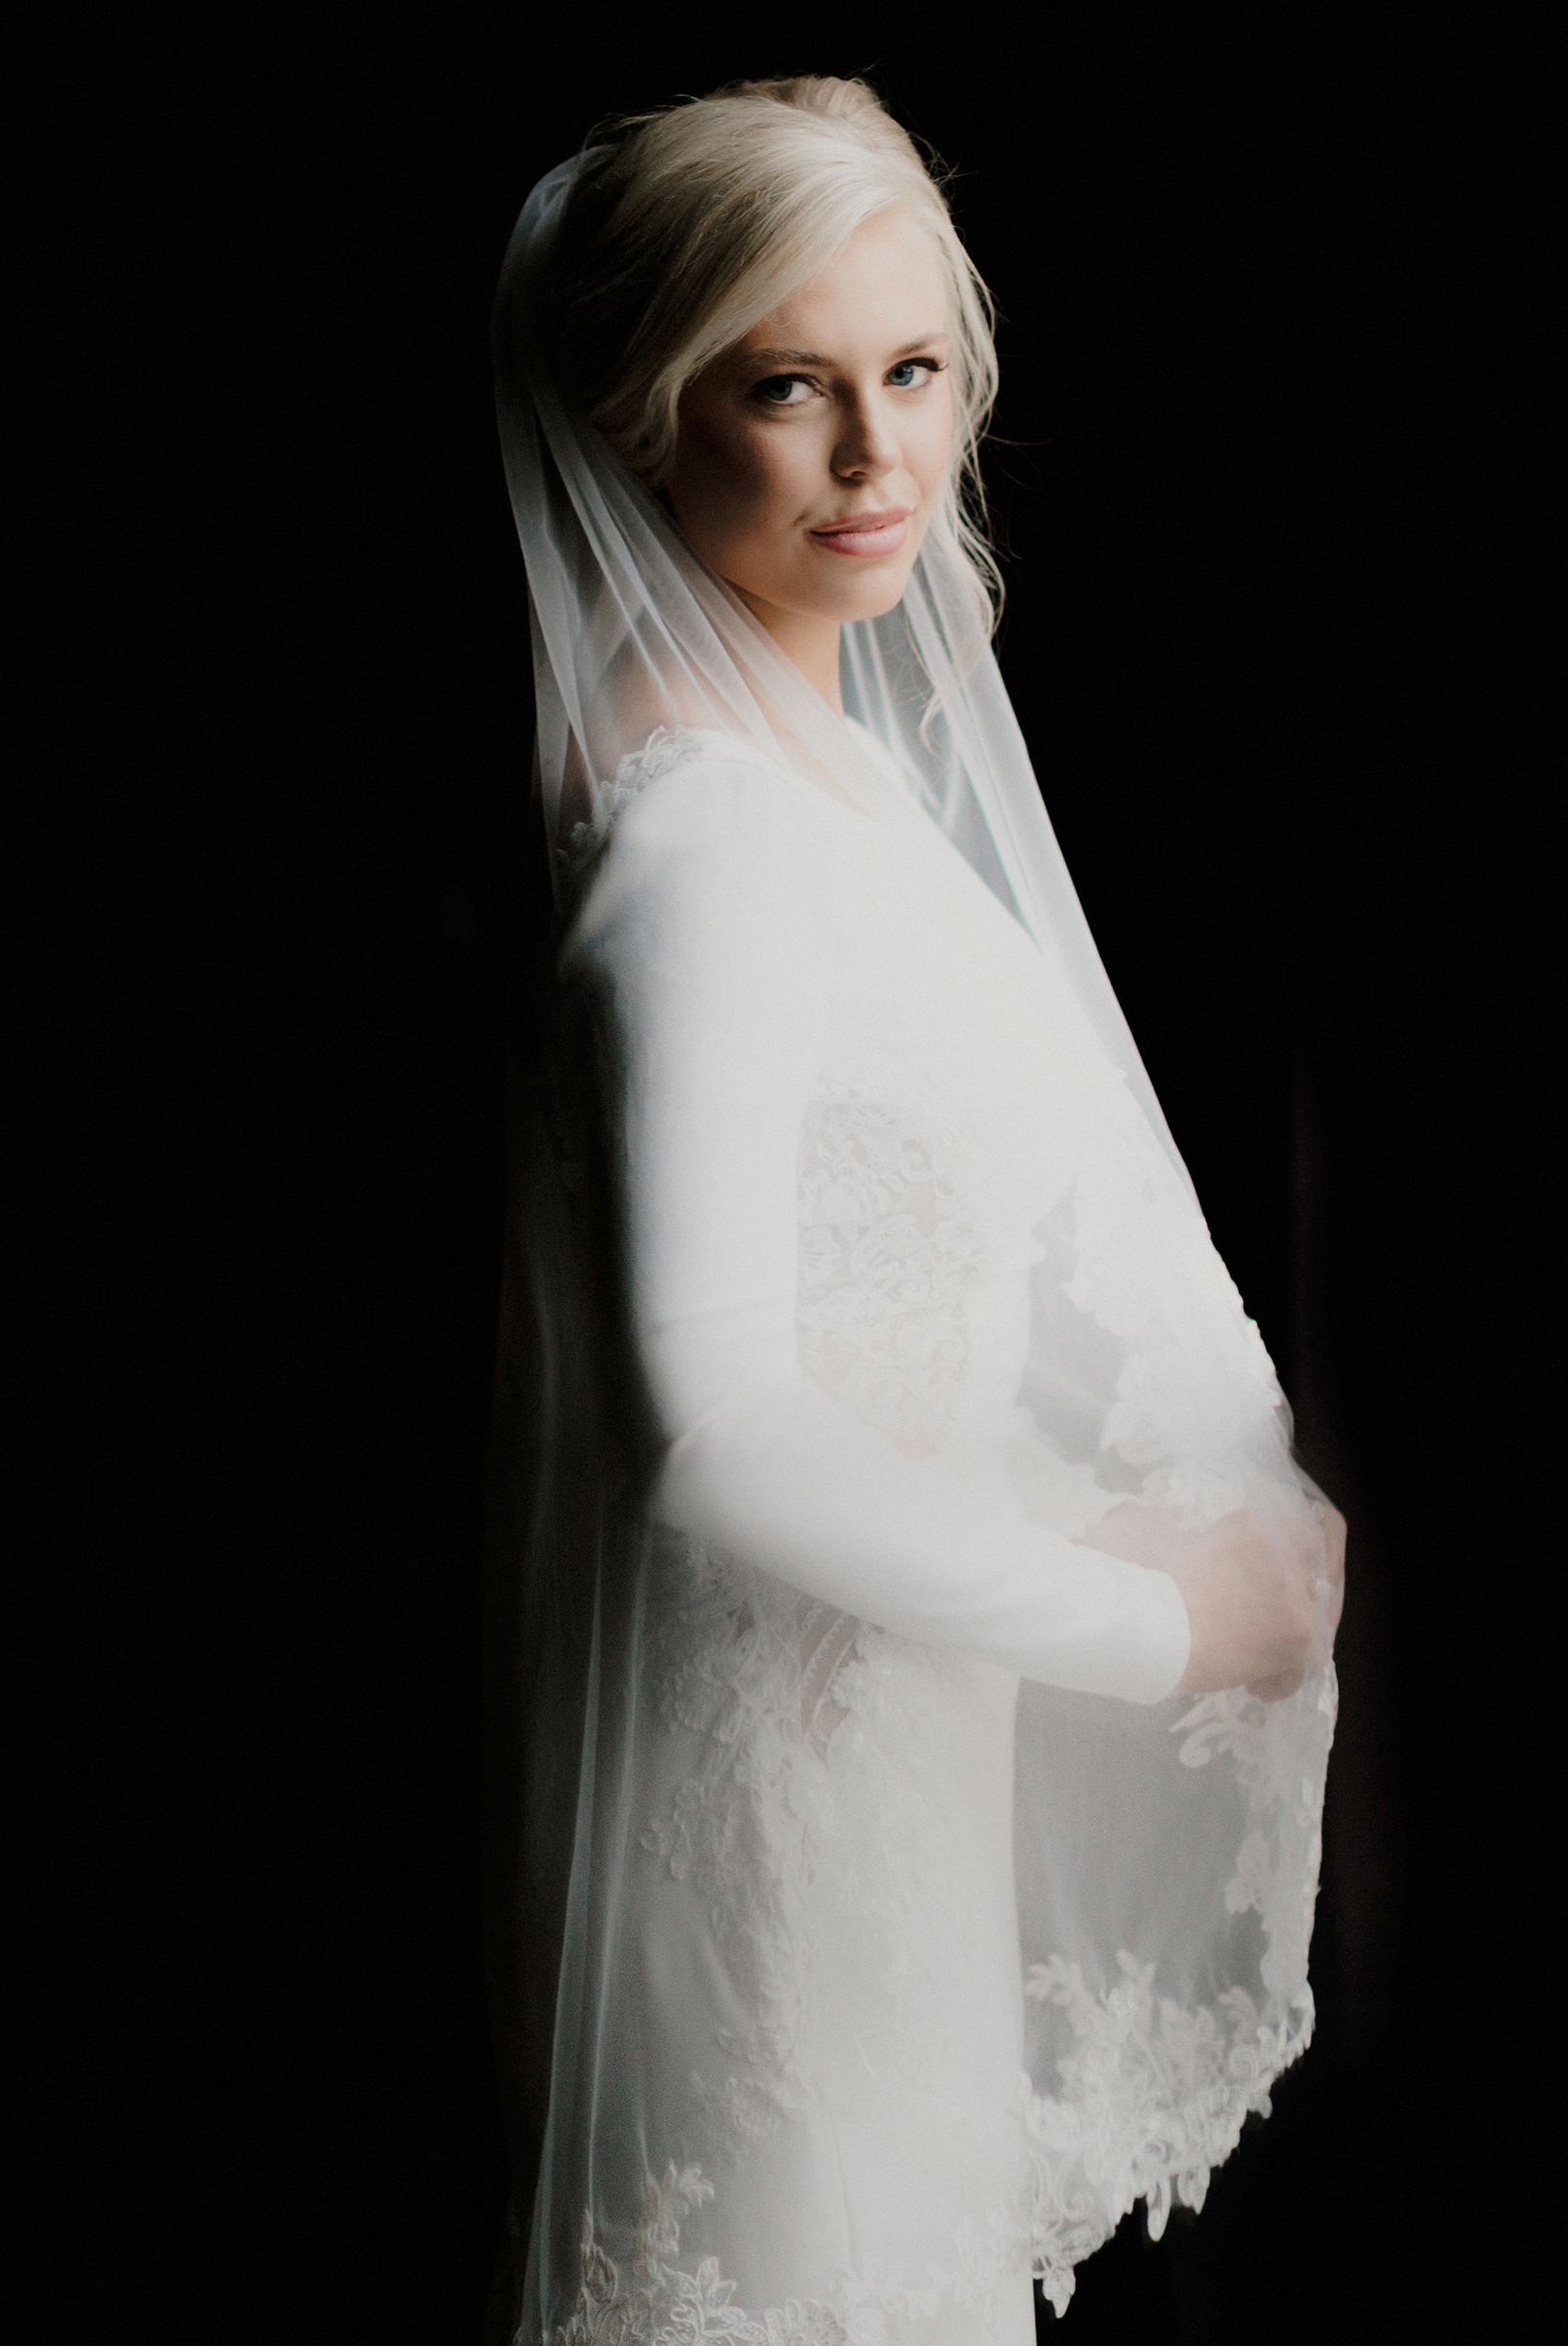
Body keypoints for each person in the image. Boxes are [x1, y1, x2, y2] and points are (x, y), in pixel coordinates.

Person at [485, 75, 1344, 2345]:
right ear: (648, 415)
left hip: (896, 1800)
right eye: (788, 388)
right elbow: (718, 1428)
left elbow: (925, 1251)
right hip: (783, 1854)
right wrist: (1162, 1623)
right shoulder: (703, 850)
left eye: (914, 373)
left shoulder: (826, 766)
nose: (876, 456)